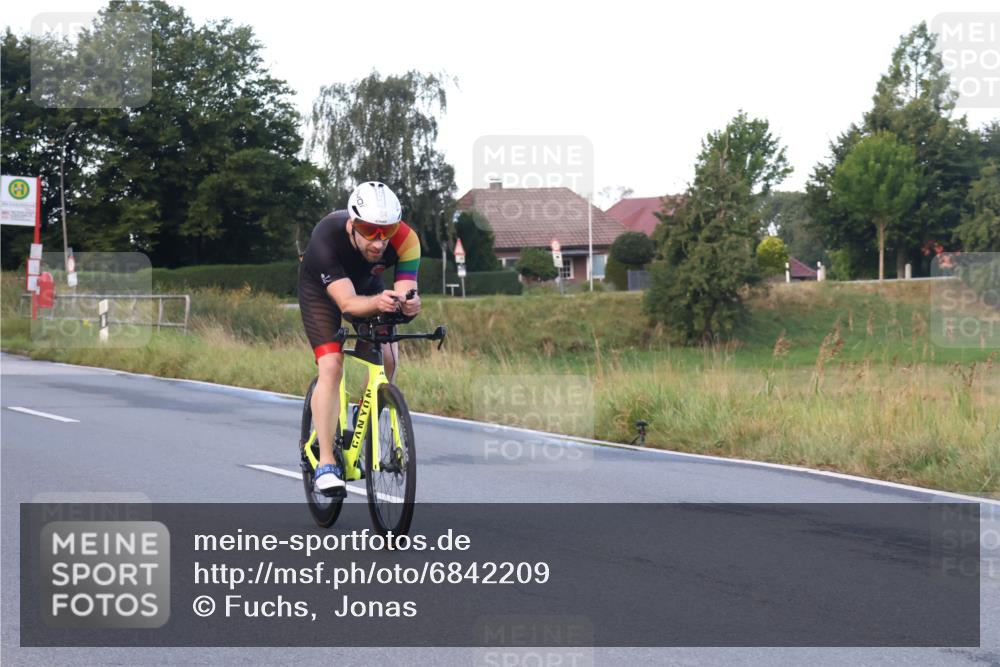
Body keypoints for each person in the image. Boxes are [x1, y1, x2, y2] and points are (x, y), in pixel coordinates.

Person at [298, 181, 421, 492]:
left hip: (367, 289)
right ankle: (326, 462)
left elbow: (405, 293)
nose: (379, 242)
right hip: (323, 293)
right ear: (352, 224)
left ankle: (358, 416)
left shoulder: (407, 241)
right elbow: (348, 304)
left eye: (387, 230)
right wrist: (378, 302)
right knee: (331, 365)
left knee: (388, 358)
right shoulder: (327, 237)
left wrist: (409, 304)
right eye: (368, 230)